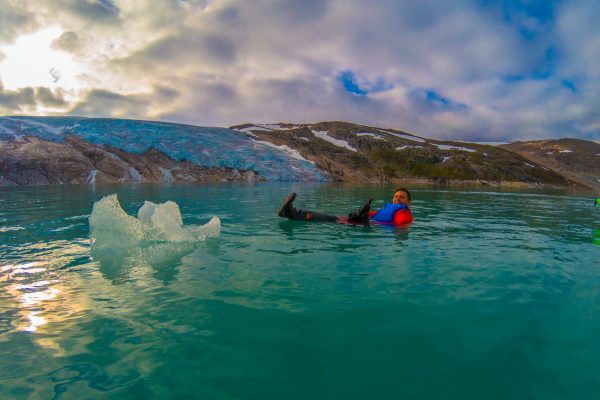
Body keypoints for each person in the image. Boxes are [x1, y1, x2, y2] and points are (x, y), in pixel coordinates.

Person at [277, 188, 413, 226]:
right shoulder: (387, 209)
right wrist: (362, 213)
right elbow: (373, 215)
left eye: (401, 197)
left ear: (408, 202)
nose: (397, 198)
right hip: (362, 224)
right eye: (396, 196)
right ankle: (291, 213)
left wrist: (368, 223)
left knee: (327, 219)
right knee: (329, 217)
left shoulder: (404, 213)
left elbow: (400, 227)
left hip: (366, 228)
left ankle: (291, 213)